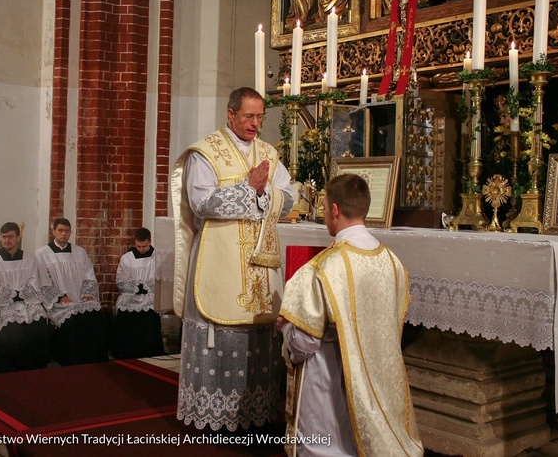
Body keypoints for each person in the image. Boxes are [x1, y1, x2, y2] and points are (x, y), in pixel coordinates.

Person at [172, 87, 295, 431]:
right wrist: (249, 189)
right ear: (230, 114)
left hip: (259, 260)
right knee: (220, 324)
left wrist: (263, 191)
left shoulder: (268, 152)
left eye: (260, 117)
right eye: (248, 116)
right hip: (219, 256)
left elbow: (288, 198)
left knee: (258, 327)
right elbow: (202, 203)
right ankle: (214, 413)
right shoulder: (206, 152)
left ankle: (254, 412)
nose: (255, 124)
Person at [277, 174, 423, 456]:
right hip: (378, 386)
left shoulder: (323, 267)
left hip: (329, 387)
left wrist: (286, 327)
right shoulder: (393, 262)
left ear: (333, 210)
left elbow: (303, 344)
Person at [35, 218, 108, 366]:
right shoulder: (42, 253)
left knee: (94, 312)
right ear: (53, 231)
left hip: (80, 298)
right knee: (73, 319)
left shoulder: (79, 252)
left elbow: (89, 274)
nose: (63, 234)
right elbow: (43, 281)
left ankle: (95, 359)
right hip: (59, 302)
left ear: (70, 232)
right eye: (60, 230)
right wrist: (59, 297)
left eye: (67, 231)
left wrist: (87, 293)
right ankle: (72, 359)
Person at [0, 222, 50, 372]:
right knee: (11, 328)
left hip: (26, 303)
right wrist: (16, 295)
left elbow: (34, 281)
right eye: (4, 237)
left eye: (11, 237)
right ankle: (8, 369)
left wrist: (20, 296)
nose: (7, 240)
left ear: (18, 238)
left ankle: (34, 367)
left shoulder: (30, 258)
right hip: (2, 305)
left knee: (38, 321)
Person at [112, 227, 165, 359]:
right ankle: (126, 351)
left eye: (144, 246)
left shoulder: (158, 257)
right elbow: (120, 280)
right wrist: (138, 287)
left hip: (150, 295)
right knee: (123, 305)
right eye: (138, 246)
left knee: (150, 310)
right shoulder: (127, 258)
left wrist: (146, 287)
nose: (141, 249)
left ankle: (149, 351)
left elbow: (163, 278)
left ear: (150, 242)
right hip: (132, 294)